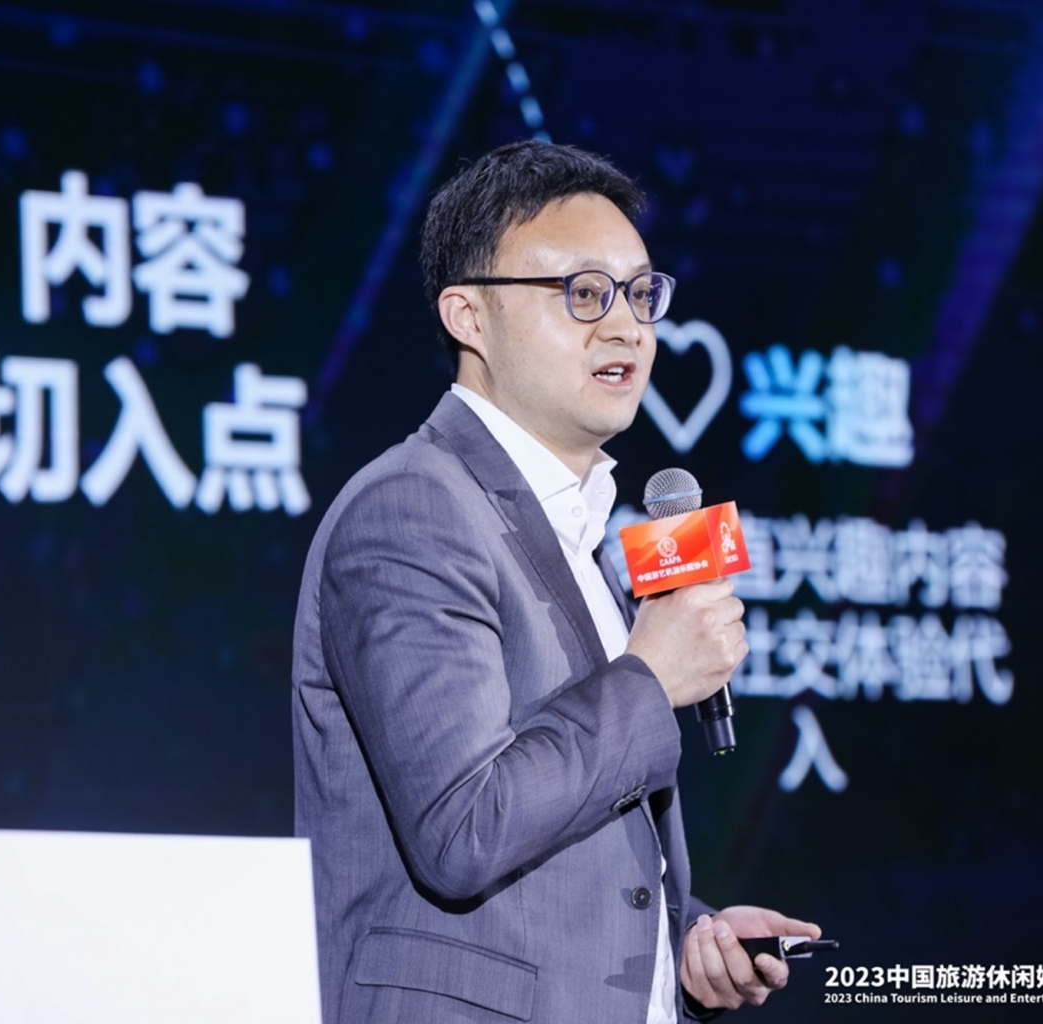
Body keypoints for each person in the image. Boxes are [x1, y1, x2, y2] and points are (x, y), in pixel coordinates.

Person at [292, 140, 820, 1023]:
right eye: (582, 294)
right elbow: (466, 827)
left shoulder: (579, 532)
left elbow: (563, 845)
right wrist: (650, 677)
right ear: (469, 315)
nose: (625, 328)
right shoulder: (412, 509)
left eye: (641, 295)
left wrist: (686, 944)